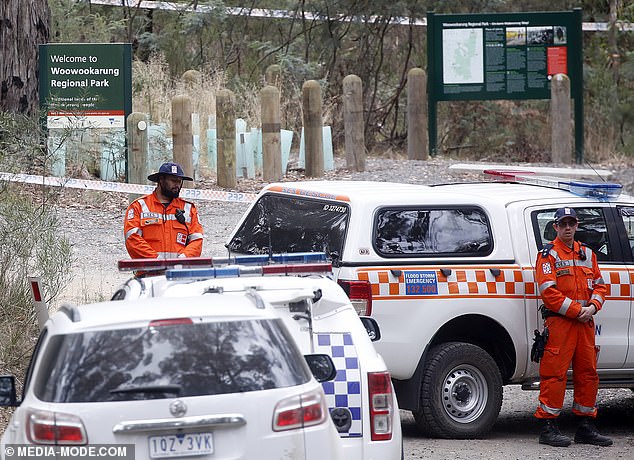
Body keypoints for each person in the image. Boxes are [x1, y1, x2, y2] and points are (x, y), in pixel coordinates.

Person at [534, 207, 612, 447]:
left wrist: (592, 307)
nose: (568, 228)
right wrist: (579, 311)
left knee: (588, 373)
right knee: (554, 374)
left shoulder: (588, 253)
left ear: (577, 225)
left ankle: (585, 426)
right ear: (555, 227)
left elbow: (600, 286)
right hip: (561, 323)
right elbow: (549, 293)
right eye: (563, 224)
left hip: (585, 323)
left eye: (572, 223)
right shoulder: (548, 255)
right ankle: (548, 428)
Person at [124, 162, 204, 260]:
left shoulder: (189, 209)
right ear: (161, 179)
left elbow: (197, 241)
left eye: (179, 181)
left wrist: (183, 260)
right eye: (173, 181)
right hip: (149, 272)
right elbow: (132, 239)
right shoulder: (138, 207)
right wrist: (156, 260)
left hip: (179, 271)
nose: (177, 185)